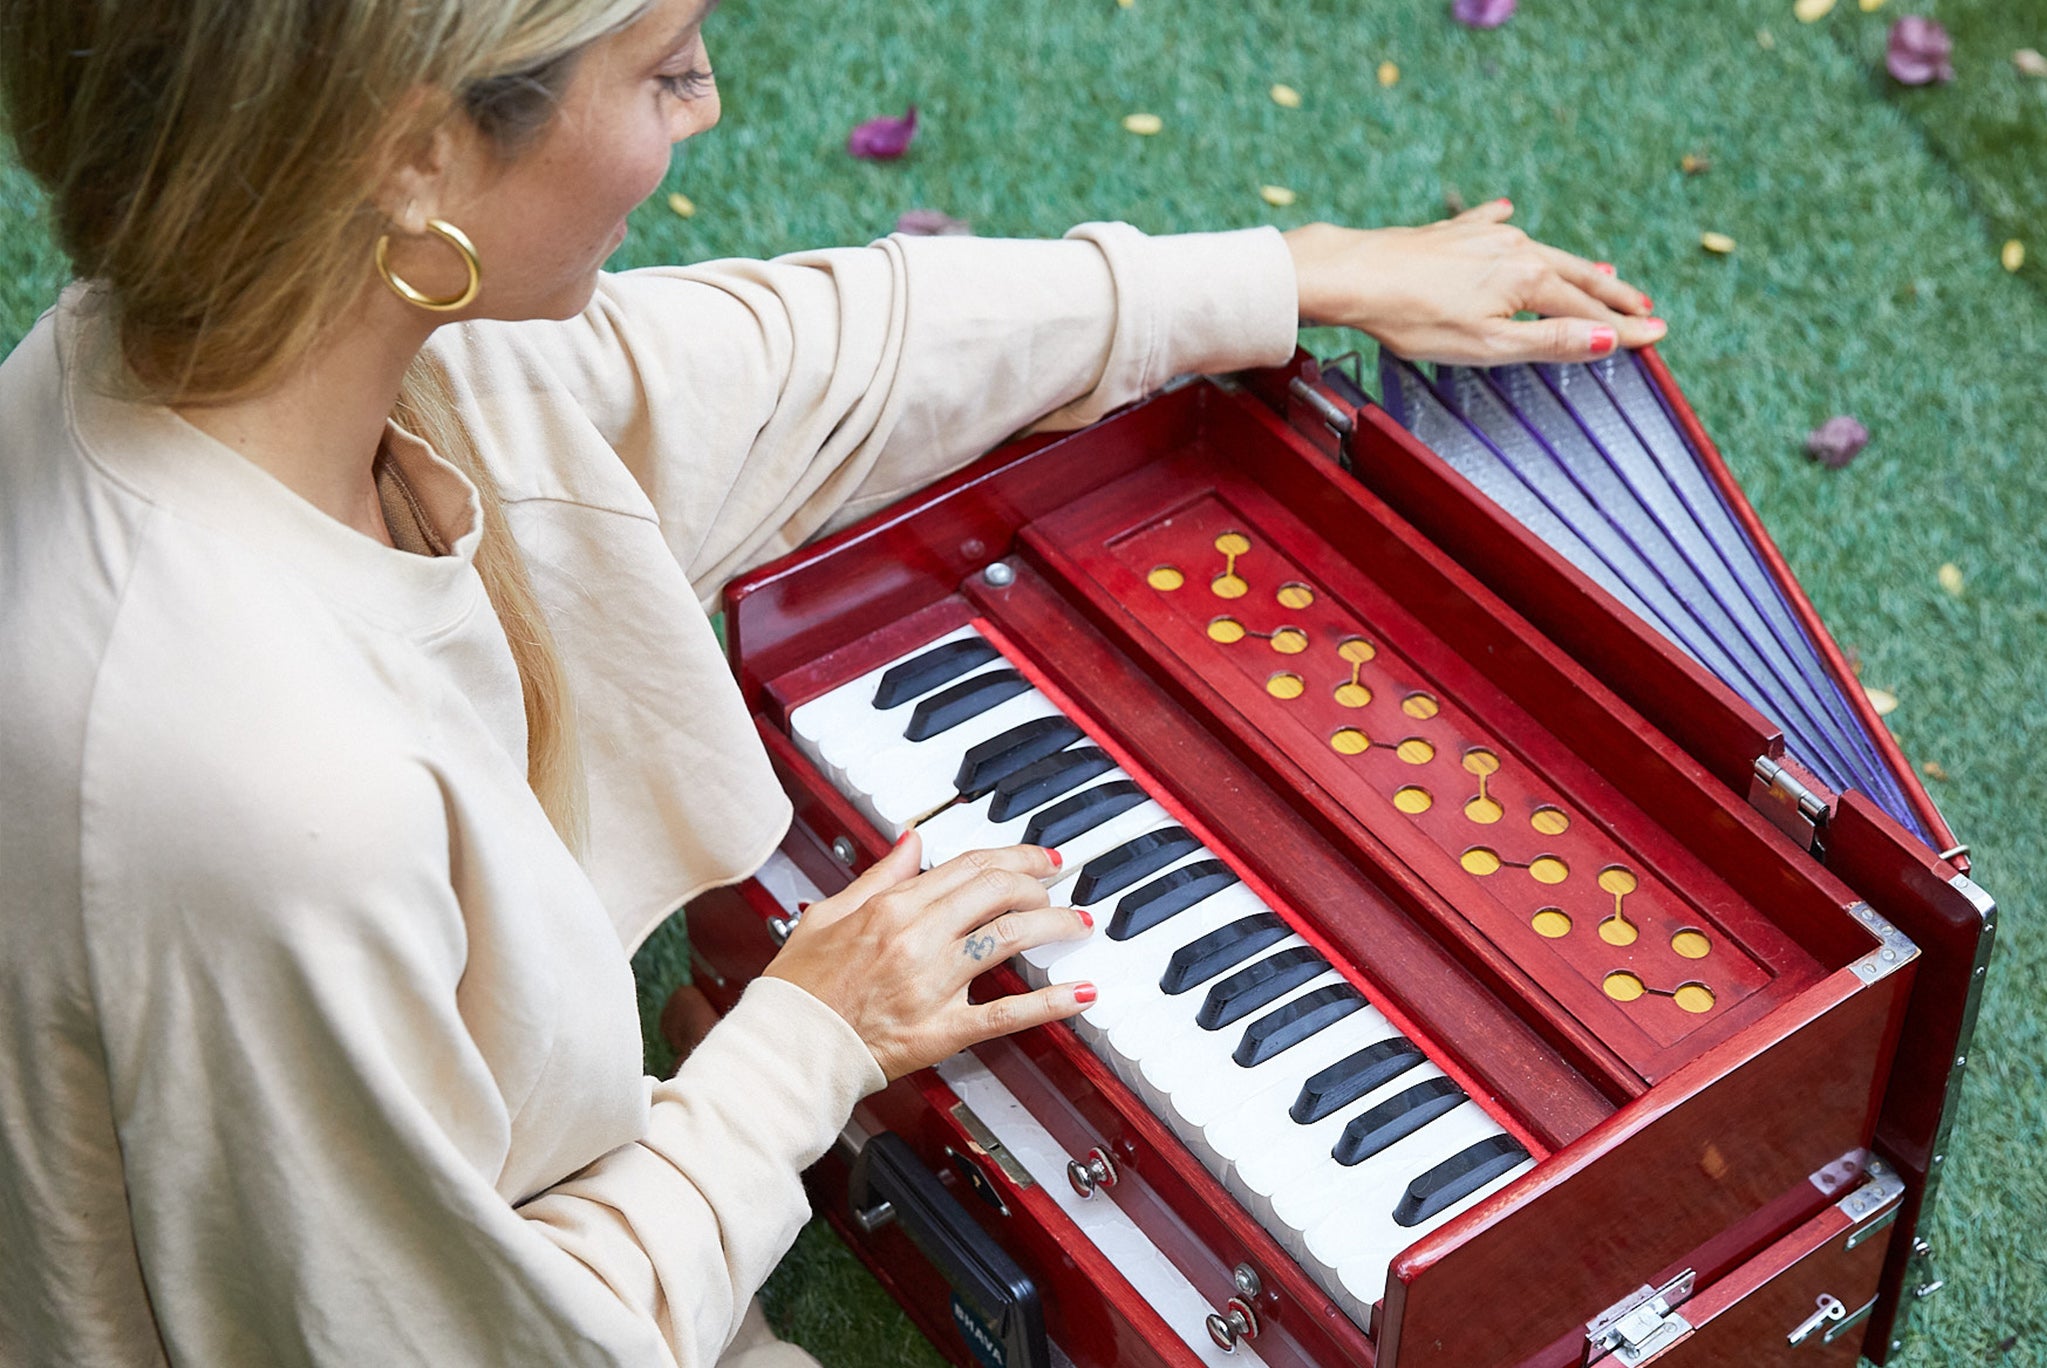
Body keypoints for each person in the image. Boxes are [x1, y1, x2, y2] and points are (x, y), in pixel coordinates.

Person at [0, 0, 1664, 1364]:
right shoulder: (267, 784)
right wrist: (806, 1039)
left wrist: (1285, 273)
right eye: (658, 70)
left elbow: (809, 355)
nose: (707, 106)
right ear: (415, 153)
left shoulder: (219, 332)